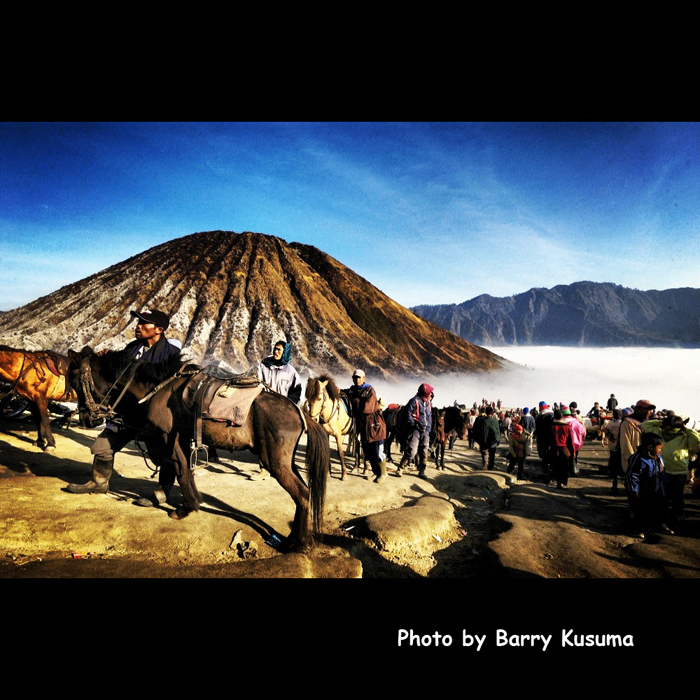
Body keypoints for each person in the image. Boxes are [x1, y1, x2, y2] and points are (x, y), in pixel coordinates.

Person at [67, 308, 180, 505]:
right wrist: (109, 357)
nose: (138, 326)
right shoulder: (133, 347)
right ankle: (99, 482)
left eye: (144, 323)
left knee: (164, 456)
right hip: (127, 412)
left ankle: (162, 493)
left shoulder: (171, 354)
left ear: (159, 329)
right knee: (102, 446)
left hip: (152, 416)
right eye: (138, 321)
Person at [641, 412, 700, 528]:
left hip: (679, 472)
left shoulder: (683, 437)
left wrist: (685, 428)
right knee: (665, 495)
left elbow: (697, 439)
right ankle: (667, 514)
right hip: (664, 470)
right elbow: (644, 426)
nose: (668, 430)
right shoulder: (660, 435)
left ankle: (678, 513)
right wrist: (660, 421)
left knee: (676, 495)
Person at [344, 369, 388, 483]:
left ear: (364, 379)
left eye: (359, 377)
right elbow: (345, 393)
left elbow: (366, 408)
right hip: (363, 425)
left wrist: (354, 404)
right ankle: (375, 472)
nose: (357, 379)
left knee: (378, 450)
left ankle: (383, 474)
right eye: (355, 377)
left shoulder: (369, 390)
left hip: (374, 424)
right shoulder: (353, 390)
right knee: (368, 451)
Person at [624, 431, 671, 539]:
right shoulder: (638, 458)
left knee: (660, 508)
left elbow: (662, 472)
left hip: (659, 489)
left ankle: (661, 525)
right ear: (650, 447)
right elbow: (632, 475)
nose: (660, 450)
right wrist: (634, 490)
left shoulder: (658, 457)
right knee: (642, 510)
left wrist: (665, 486)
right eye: (659, 448)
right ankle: (639, 529)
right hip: (644, 490)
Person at [396, 383, 434, 479]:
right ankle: (400, 467)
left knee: (425, 450)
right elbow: (408, 415)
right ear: (425, 391)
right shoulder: (414, 401)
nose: (431, 394)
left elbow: (429, 417)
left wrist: (428, 428)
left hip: (425, 431)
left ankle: (422, 471)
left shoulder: (428, 403)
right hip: (415, 430)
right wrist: (414, 425)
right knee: (412, 450)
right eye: (429, 392)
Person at [620, 399, 656, 474]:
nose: (650, 412)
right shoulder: (628, 423)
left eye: (650, 410)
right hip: (634, 464)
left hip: (648, 463)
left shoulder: (648, 423)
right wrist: (634, 461)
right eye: (647, 409)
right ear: (638, 409)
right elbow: (625, 446)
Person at [551, 408, 574, 489]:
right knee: (564, 467)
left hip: (554, 449)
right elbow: (570, 441)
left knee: (556, 466)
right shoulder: (567, 427)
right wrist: (573, 451)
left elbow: (548, 439)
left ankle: (558, 482)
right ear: (562, 417)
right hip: (564, 450)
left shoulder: (552, 426)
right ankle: (562, 482)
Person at [473, 405, 501, 471]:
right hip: (493, 442)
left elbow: (477, 430)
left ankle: (485, 464)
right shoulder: (495, 421)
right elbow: (498, 432)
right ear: (492, 413)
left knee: (484, 453)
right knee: (492, 455)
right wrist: (497, 440)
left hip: (484, 441)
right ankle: (491, 467)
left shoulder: (482, 420)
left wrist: (478, 439)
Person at [604, 409, 624, 492]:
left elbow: (607, 433)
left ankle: (614, 483)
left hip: (612, 446)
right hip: (620, 447)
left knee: (614, 464)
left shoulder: (610, 423)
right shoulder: (622, 424)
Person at [535, 401, 554, 483]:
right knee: (551, 455)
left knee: (544, 457)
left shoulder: (538, 417)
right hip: (550, 440)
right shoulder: (551, 415)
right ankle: (552, 472)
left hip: (541, 440)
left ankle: (545, 472)